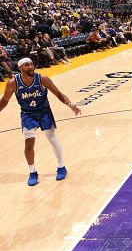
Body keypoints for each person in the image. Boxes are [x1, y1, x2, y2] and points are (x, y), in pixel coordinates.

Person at [0, 57, 81, 186]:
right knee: (29, 143)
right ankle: (33, 172)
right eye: (27, 65)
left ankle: (61, 167)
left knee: (52, 138)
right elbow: (4, 101)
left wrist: (71, 104)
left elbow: (59, 94)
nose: (31, 67)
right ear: (20, 68)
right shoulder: (13, 83)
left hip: (44, 112)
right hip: (28, 114)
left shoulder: (42, 78)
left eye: (32, 64)